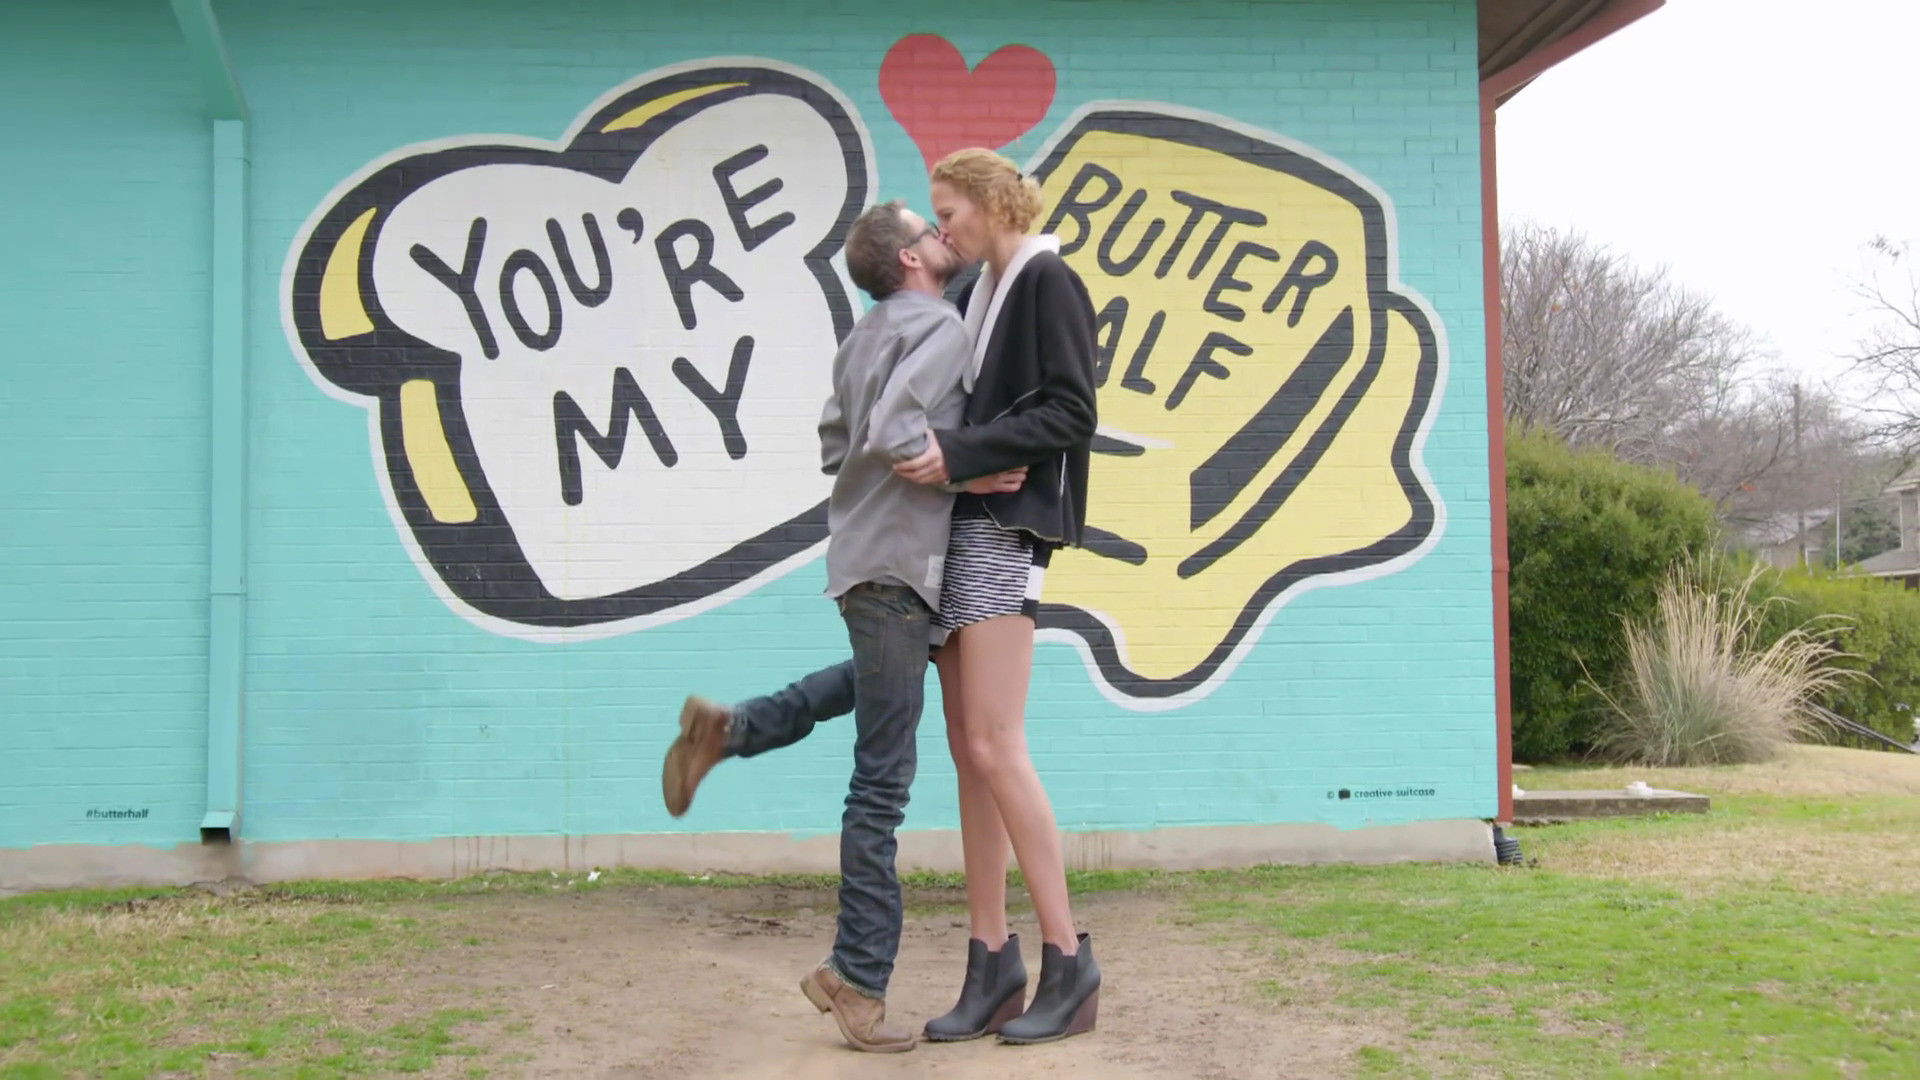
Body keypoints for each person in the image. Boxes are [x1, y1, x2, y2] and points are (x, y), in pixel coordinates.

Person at [661, 149, 1101, 1047]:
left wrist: (958, 458)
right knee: (964, 750)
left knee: (980, 745)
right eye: (932, 221)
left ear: (990, 202)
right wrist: (954, 464)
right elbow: (926, 422)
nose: (945, 230)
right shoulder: (976, 294)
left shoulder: (1039, 279)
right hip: (950, 538)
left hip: (995, 534)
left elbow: (1070, 411)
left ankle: (1065, 961)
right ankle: (992, 960)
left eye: (950, 212)